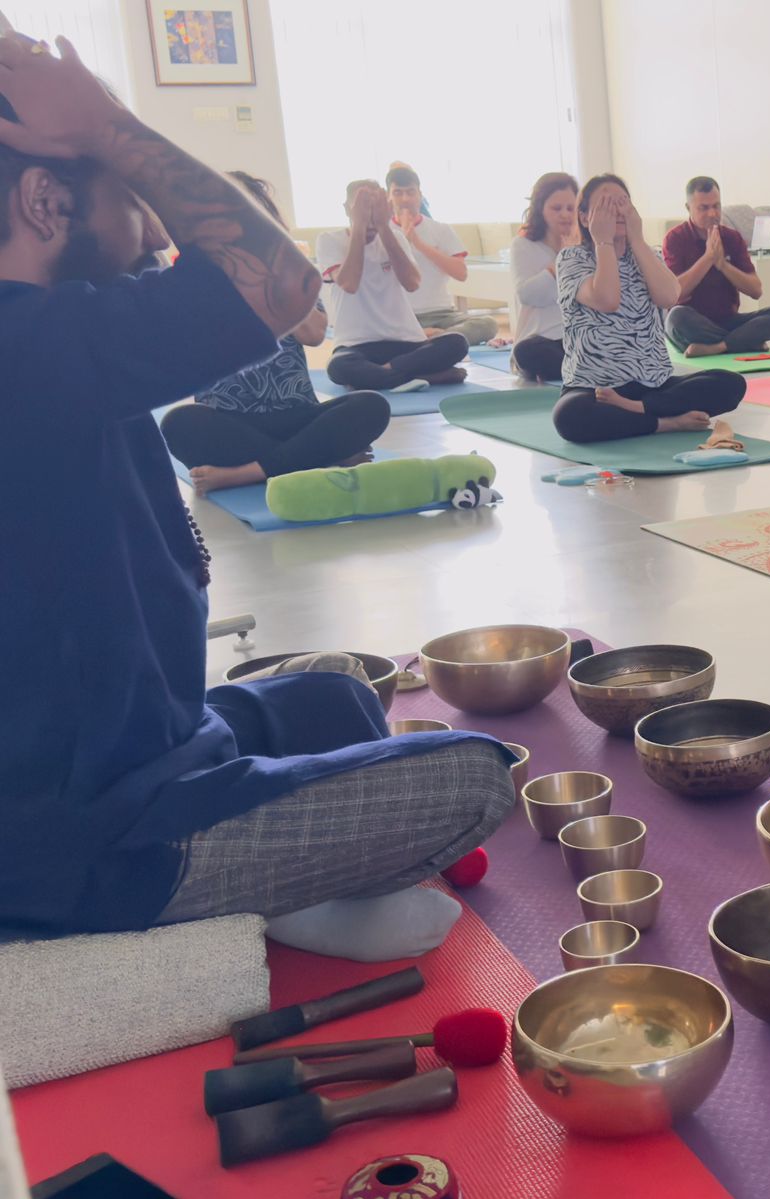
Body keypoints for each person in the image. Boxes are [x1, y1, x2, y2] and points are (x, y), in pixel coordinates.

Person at [0, 33, 513, 954]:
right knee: (470, 778)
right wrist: (108, 124)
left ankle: (276, 878)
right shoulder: (23, 350)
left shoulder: (52, 336)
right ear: (43, 203)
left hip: (154, 741)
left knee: (338, 695)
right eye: (135, 199)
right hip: (88, 839)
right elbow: (276, 280)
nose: (159, 232)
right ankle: (218, 900)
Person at [160, 173, 391, 493]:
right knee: (177, 423)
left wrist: (268, 277)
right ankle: (315, 458)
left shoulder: (291, 268)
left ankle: (248, 472)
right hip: (230, 421)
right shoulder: (195, 273)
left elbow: (313, 334)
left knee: (371, 406)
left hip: (298, 415)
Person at [554, 174, 745, 443]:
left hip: (652, 385)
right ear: (585, 217)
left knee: (731, 384)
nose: (616, 212)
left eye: (622, 203)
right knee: (569, 417)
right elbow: (607, 299)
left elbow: (670, 296)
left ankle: (639, 410)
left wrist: (638, 240)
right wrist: (603, 243)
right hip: (595, 388)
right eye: (605, 205)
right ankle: (665, 423)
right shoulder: (572, 258)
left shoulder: (646, 255)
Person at [316, 178, 470, 392]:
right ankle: (422, 375)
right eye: (363, 208)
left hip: (405, 341)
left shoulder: (395, 237)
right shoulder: (329, 240)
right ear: (346, 209)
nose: (369, 214)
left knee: (457, 343)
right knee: (338, 367)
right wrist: (359, 226)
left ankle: (383, 375)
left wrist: (383, 227)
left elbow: (412, 283)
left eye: (375, 208)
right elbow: (349, 283)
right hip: (356, 345)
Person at [662, 175, 770, 357]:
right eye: (704, 208)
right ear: (688, 208)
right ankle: (744, 341)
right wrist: (708, 258)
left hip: (728, 320)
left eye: (716, 206)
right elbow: (674, 294)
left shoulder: (732, 238)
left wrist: (723, 265)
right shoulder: (675, 238)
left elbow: (756, 290)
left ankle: (718, 347)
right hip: (692, 322)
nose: (712, 213)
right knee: (675, 318)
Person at [386, 163, 497, 345]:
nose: (405, 199)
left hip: (443, 314)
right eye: (398, 193)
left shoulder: (440, 230)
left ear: (420, 195)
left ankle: (429, 338)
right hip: (400, 316)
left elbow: (461, 273)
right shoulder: (382, 232)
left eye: (411, 192)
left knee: (487, 324)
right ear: (388, 197)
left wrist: (418, 243)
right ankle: (436, 339)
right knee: (376, 333)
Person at [509, 170, 578, 383]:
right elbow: (528, 296)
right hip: (543, 339)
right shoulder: (523, 245)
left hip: (579, 338)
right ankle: (583, 371)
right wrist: (562, 260)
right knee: (527, 352)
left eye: (570, 208)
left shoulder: (588, 244)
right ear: (541, 209)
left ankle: (581, 369)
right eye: (556, 208)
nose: (565, 214)